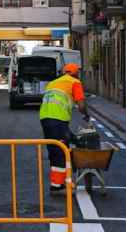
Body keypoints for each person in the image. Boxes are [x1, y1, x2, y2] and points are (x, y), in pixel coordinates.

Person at [39, 62, 88, 194]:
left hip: (45, 118)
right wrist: (86, 115)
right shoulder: (74, 82)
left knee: (54, 150)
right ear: (75, 73)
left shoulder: (53, 83)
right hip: (58, 119)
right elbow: (81, 105)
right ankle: (60, 185)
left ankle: (56, 183)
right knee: (62, 151)